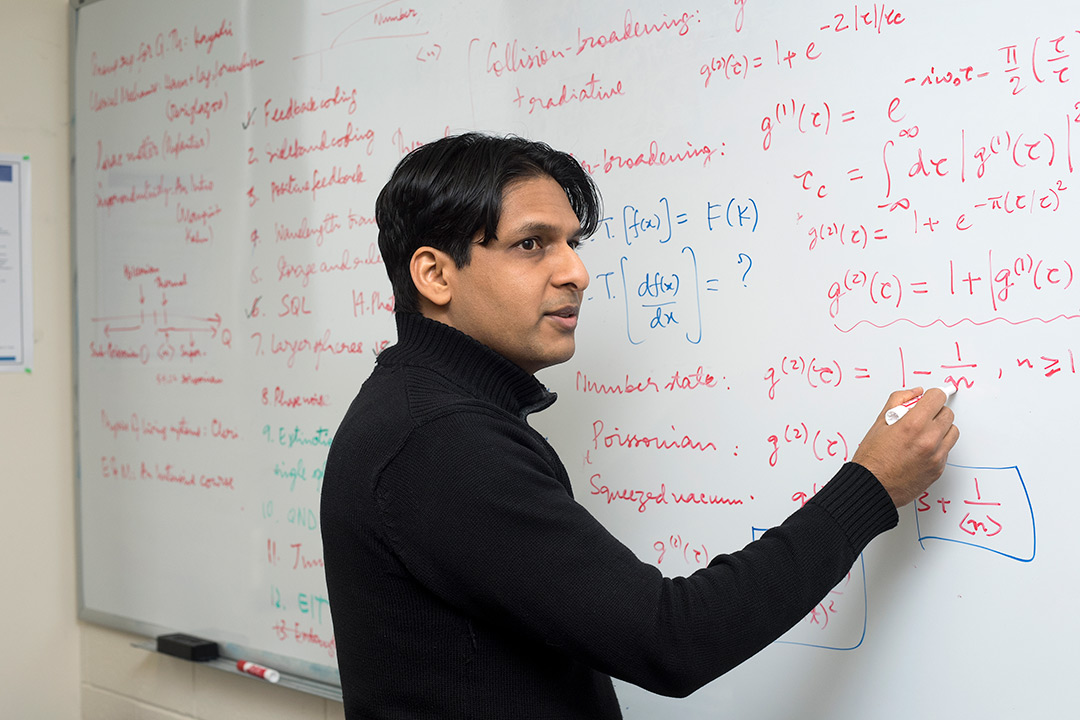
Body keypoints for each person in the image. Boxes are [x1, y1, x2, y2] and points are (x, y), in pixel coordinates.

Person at [320, 132, 959, 719]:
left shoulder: (423, 410)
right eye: (531, 244)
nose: (575, 271)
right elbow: (671, 640)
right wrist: (871, 486)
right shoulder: (439, 440)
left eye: (572, 243)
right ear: (435, 274)